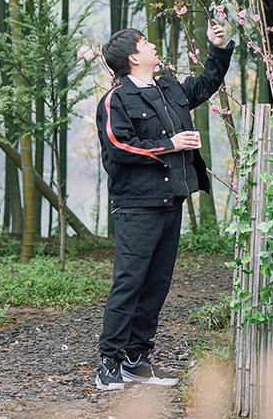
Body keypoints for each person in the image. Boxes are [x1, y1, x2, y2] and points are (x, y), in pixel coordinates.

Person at [95, 20, 234, 390]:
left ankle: (137, 360)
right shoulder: (115, 100)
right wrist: (170, 145)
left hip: (171, 200)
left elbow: (204, 86)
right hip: (137, 206)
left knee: (157, 284)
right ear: (132, 57)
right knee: (129, 283)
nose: (152, 45)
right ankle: (108, 361)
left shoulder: (168, 86)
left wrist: (217, 49)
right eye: (145, 42)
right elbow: (118, 147)